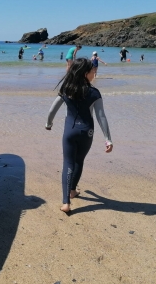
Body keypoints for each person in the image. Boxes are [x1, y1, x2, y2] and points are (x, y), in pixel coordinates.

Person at [45, 58, 113, 213]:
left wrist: (48, 124)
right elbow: (101, 117)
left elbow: (51, 110)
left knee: (68, 163)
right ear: (84, 73)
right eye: (92, 71)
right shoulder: (94, 93)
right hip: (87, 132)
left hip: (70, 132)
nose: (94, 72)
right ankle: (73, 190)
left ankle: (66, 203)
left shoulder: (66, 89)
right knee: (79, 161)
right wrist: (108, 139)